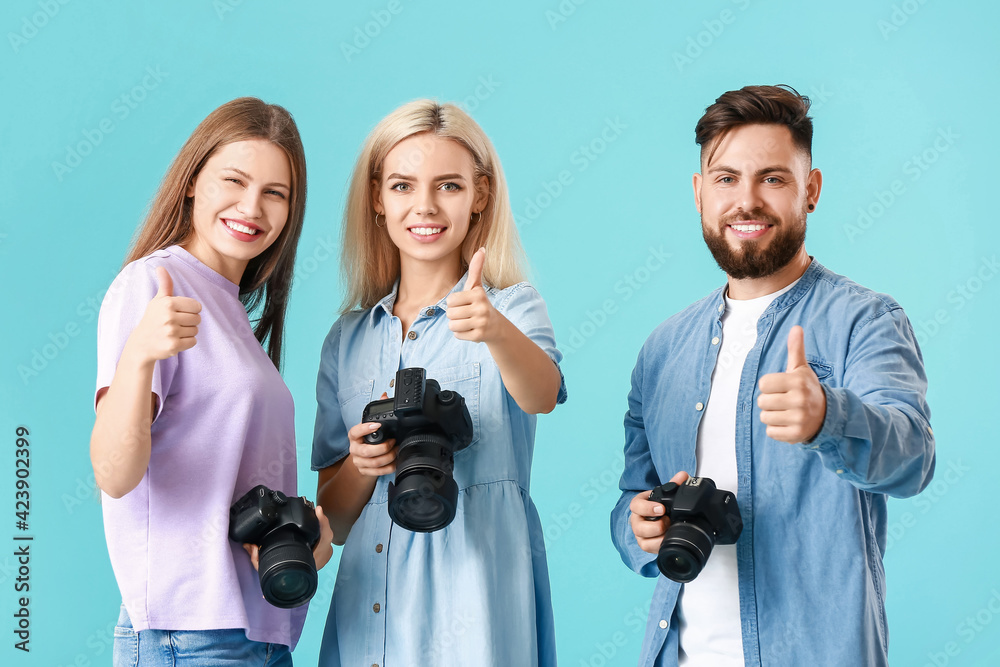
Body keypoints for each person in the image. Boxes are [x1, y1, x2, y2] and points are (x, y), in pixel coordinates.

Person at [610, 85, 935, 666]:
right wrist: (639, 527)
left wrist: (828, 417)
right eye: (726, 178)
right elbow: (631, 500)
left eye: (773, 178)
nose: (746, 201)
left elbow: (913, 459)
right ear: (699, 193)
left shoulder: (865, 320)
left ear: (810, 191)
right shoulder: (661, 350)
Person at [311, 99, 566, 666]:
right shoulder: (346, 339)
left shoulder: (512, 308)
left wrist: (493, 330)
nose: (424, 206)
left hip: (476, 609)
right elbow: (340, 520)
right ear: (377, 198)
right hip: (369, 613)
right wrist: (361, 464)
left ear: (480, 195)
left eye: (448, 186)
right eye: (402, 186)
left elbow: (541, 395)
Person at [90, 97, 333, 667]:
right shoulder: (155, 283)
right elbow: (114, 474)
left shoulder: (232, 313)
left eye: (276, 193)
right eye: (234, 180)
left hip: (257, 632)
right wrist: (139, 357)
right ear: (194, 181)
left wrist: (305, 538)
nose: (252, 207)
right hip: (193, 634)